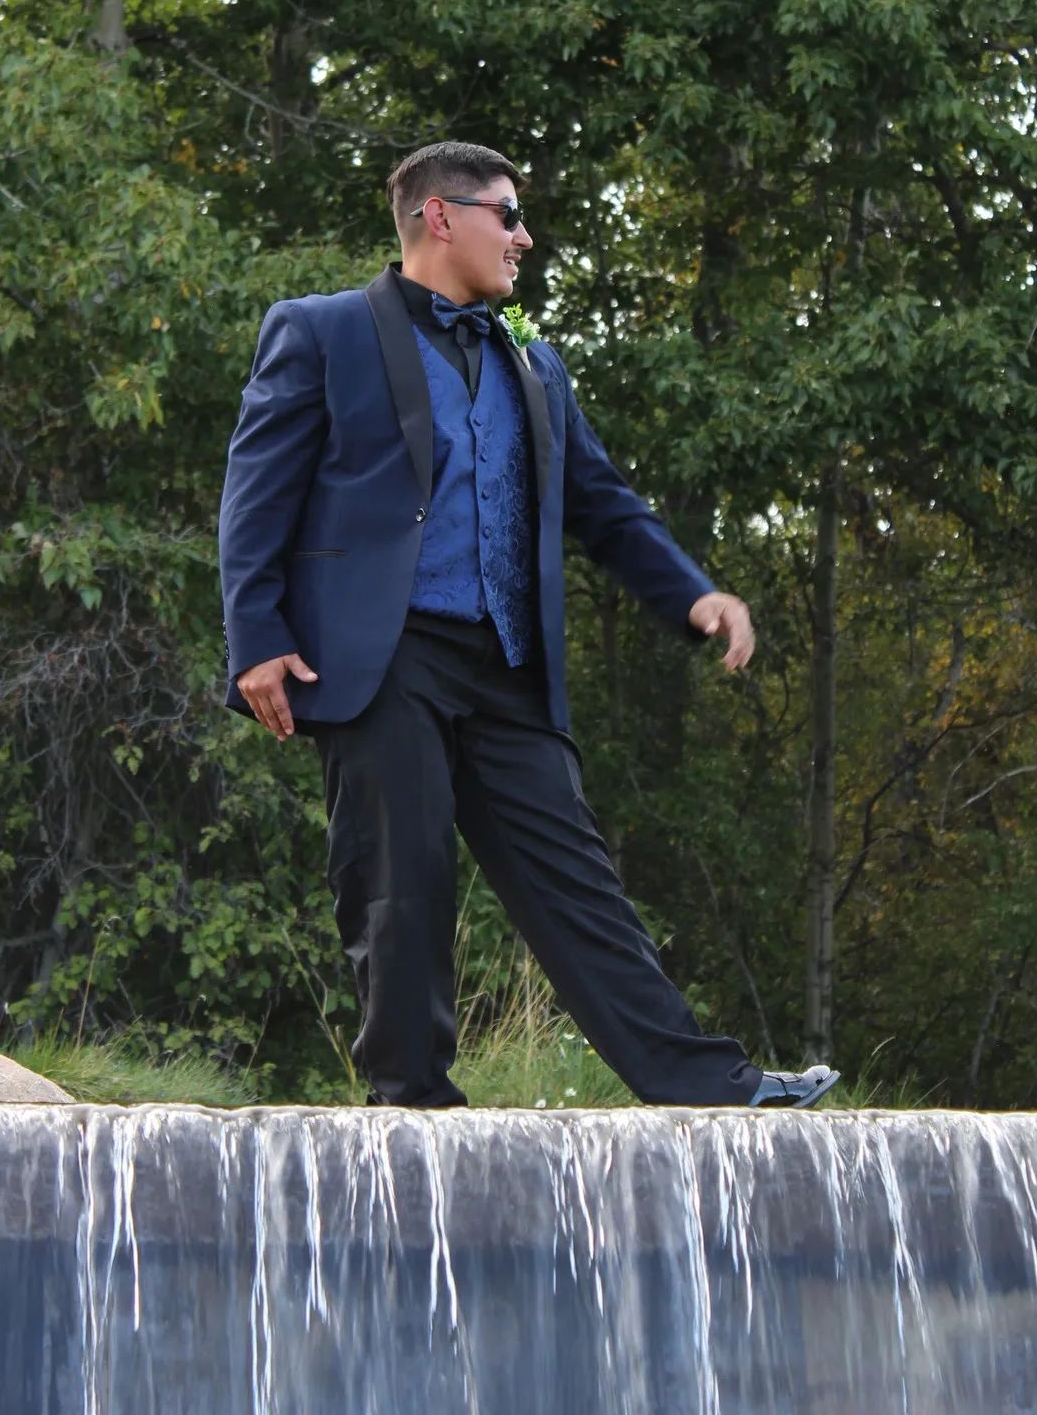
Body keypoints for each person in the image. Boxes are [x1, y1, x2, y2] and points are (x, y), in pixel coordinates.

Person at [219, 139, 839, 1110]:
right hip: (385, 656)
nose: (524, 235)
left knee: (577, 881)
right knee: (401, 878)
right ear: (439, 216)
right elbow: (256, 492)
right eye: (507, 214)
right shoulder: (322, 330)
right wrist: (256, 635)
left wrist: (692, 594)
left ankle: (703, 1083)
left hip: (507, 662)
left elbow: (603, 503)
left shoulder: (535, 365)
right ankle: (411, 1101)